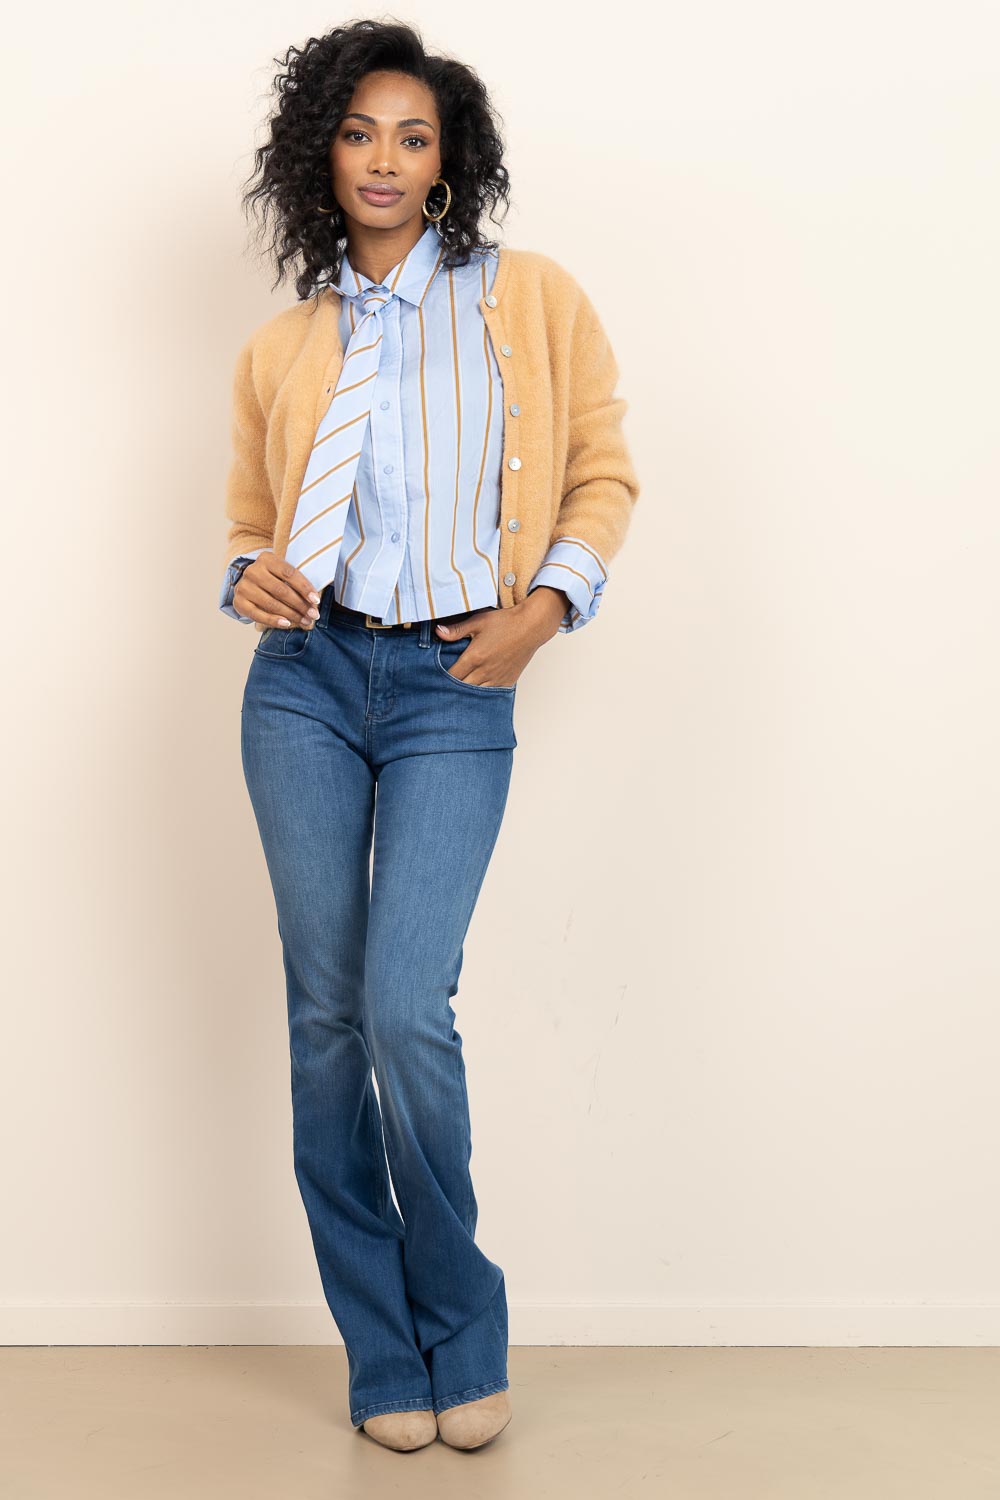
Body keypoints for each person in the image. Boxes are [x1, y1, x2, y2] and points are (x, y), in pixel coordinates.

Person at [220, 18, 640, 1455]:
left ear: (450, 159)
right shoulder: (284, 344)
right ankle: (384, 1349)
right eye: (359, 134)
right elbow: (248, 519)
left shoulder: (528, 298)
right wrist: (246, 573)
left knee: (405, 1004)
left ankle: (465, 1325)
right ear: (321, 158)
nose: (385, 160)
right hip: (305, 680)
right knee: (327, 1020)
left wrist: (545, 609)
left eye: (413, 136)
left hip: (457, 681)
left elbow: (601, 469)